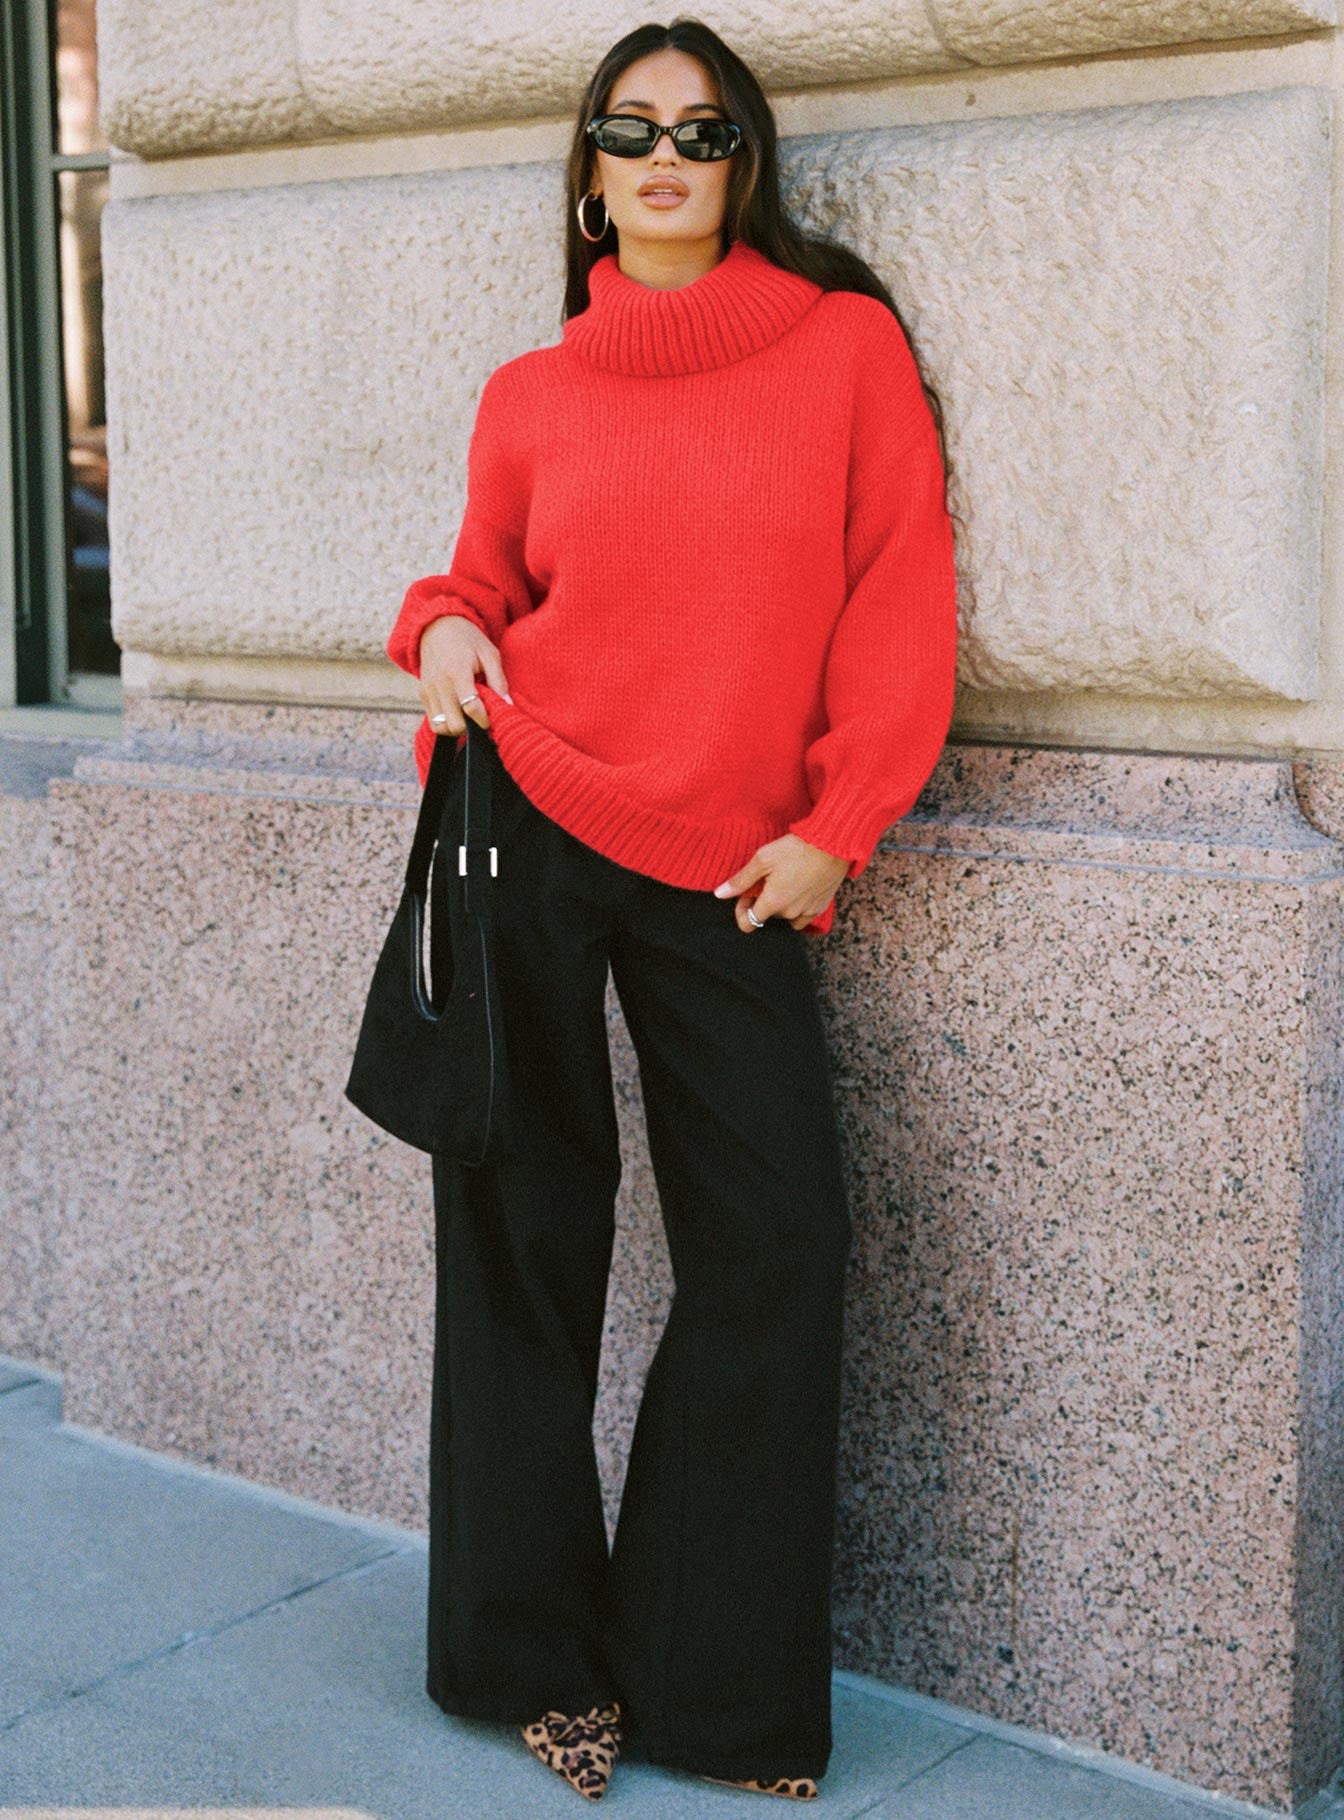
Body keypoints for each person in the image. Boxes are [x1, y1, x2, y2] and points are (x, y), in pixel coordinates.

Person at [383, 16, 958, 1803]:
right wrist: (445, 627)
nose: (663, 157)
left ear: (745, 165)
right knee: (520, 1243)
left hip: (733, 863)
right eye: (630, 130)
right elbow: (473, 576)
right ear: (590, 169)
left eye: (699, 134)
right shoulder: (531, 392)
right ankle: (527, 1659)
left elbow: (899, 597)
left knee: (779, 1245)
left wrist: (841, 825)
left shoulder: (847, 352)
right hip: (532, 821)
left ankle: (710, 1684)